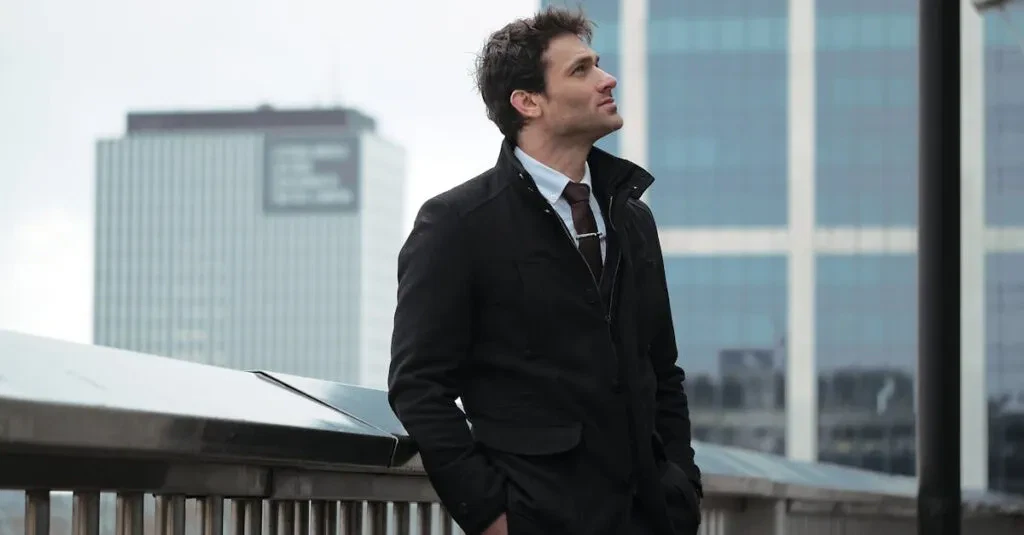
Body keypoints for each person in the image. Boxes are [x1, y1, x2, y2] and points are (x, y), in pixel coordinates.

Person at [388, 6, 701, 535]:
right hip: (541, 518)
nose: (608, 79)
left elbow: (662, 372)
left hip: (648, 518)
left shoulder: (631, 218)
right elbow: (418, 387)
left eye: (597, 64)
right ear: (527, 102)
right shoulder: (456, 224)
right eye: (581, 70)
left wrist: (681, 490)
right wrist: (490, 516)